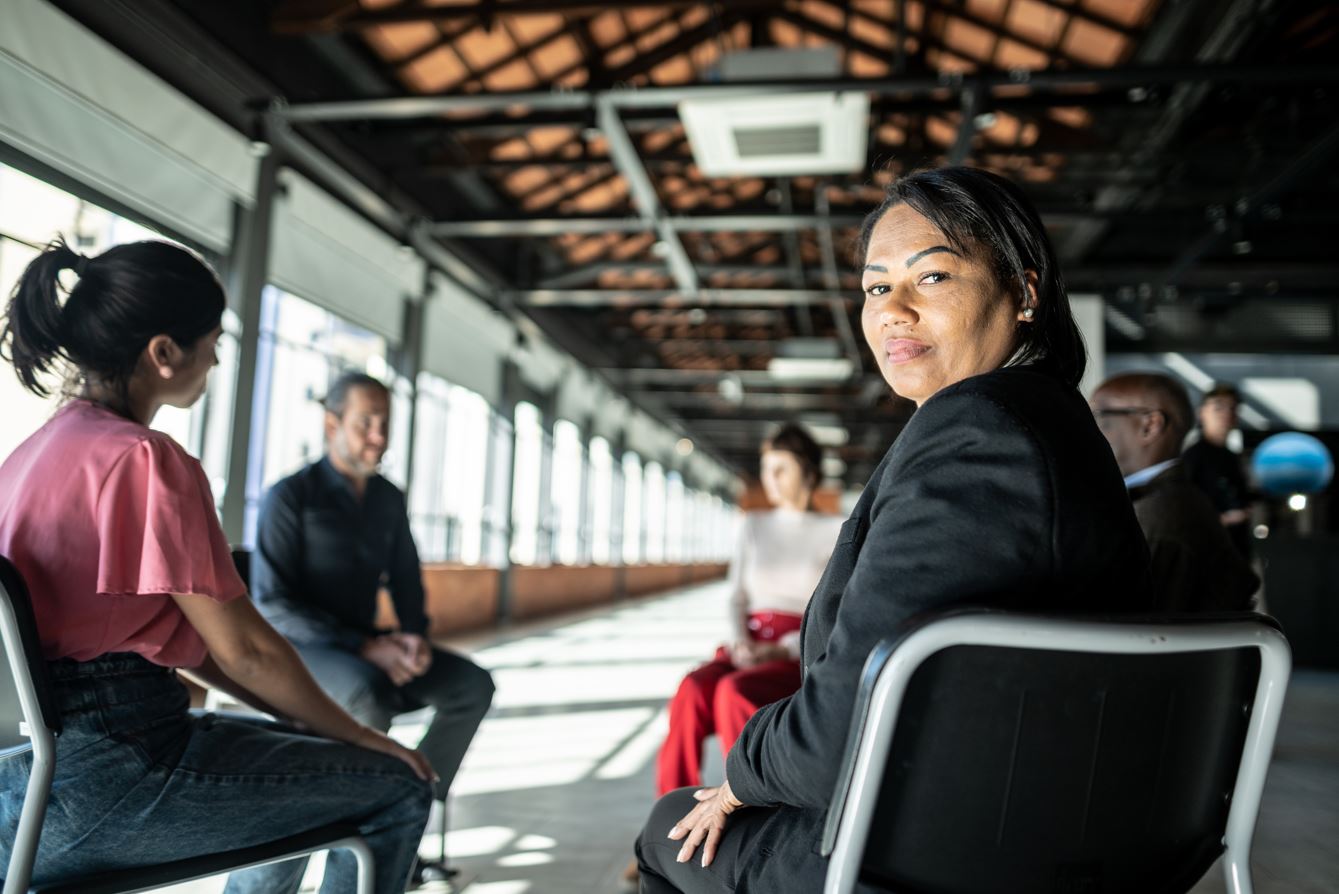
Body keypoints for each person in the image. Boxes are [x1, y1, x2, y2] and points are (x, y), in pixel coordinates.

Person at [634, 166, 1152, 893]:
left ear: (1025, 293)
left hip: (947, 851)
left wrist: (741, 777)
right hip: (1040, 819)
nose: (891, 310)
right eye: (876, 287)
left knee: (669, 831)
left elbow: (837, 738)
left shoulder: (981, 434)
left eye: (930, 277)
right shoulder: (1051, 422)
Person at [0, 239, 433, 894]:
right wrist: (365, 739)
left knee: (294, 770)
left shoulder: (28, 458)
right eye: (212, 339)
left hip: (24, 793)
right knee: (398, 786)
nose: (219, 356)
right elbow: (248, 652)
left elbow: (197, 645)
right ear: (164, 353)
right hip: (119, 782)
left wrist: (308, 723)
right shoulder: (148, 461)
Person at [250, 372, 495, 842]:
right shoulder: (290, 496)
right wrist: (365, 647)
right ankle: (359, 826)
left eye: (385, 423)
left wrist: (413, 639)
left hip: (369, 644)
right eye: (366, 423)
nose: (379, 437)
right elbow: (272, 603)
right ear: (331, 425)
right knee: (368, 695)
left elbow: (406, 578)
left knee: (472, 685)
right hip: (304, 651)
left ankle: (411, 805)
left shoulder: (388, 498)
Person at [655, 423, 843, 797]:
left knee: (733, 692)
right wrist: (741, 643)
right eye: (765, 469)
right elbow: (736, 596)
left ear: (808, 471)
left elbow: (831, 611)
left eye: (780, 469)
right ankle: (672, 805)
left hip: (796, 650)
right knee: (692, 689)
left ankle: (741, 803)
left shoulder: (836, 529)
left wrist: (782, 648)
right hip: (748, 641)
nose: (769, 479)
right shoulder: (753, 525)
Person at [1091, 372, 1258, 612]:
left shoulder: (1157, 519)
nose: (1087, 427)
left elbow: (1137, 634)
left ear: (1149, 425)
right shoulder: (1163, 503)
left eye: (1099, 415)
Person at [1182, 383, 1254, 558]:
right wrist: (1227, 518)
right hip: (1205, 555)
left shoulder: (1232, 457)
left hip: (1235, 552)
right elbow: (1182, 511)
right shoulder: (1193, 457)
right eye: (1218, 407)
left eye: (1232, 408)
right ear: (1202, 413)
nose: (1226, 414)